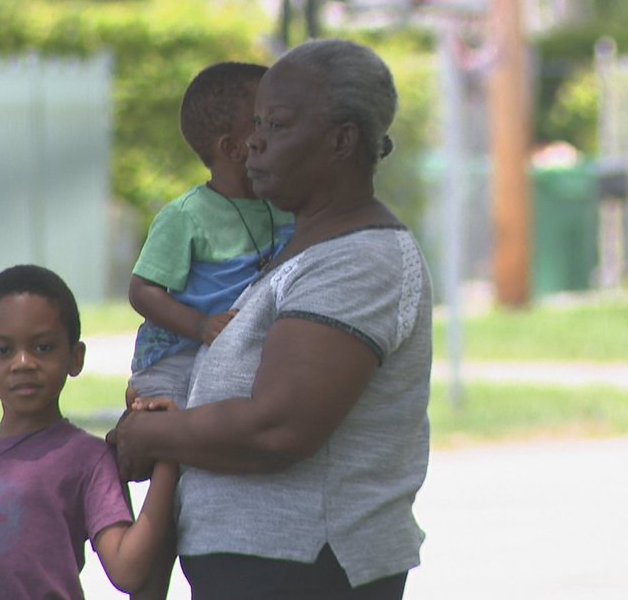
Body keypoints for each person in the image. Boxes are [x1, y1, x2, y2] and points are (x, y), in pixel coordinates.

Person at [112, 39, 434, 600]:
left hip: (310, 572)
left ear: (342, 140)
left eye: (277, 124)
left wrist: (152, 432)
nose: (254, 140)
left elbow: (277, 428)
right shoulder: (301, 246)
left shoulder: (359, 259)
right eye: (255, 121)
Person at [0, 264, 176, 599]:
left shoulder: (87, 459)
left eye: (43, 347)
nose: (23, 362)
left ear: (75, 358)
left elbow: (128, 569)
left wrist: (170, 456)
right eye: (3, 350)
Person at [128, 61, 294, 410]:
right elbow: (143, 290)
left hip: (234, 360)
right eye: (265, 122)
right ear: (234, 148)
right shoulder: (186, 215)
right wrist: (201, 325)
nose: (281, 131)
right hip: (174, 362)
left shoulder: (283, 206)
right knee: (167, 440)